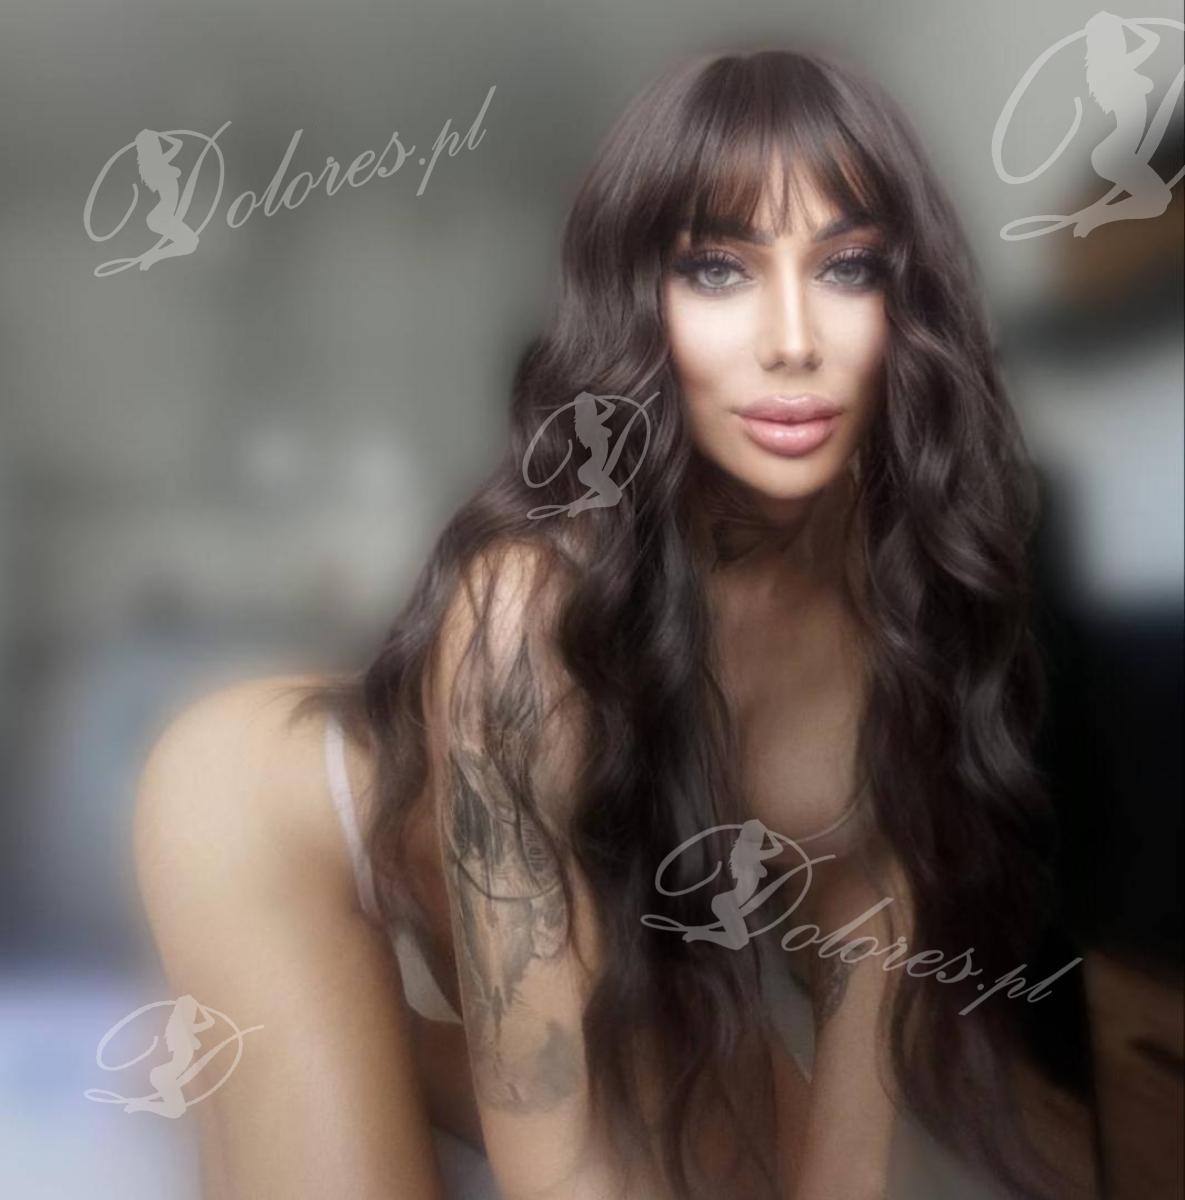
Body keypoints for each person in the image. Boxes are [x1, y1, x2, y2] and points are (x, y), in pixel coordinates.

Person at [133, 47, 1086, 1199]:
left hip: (599, 936)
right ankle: (322, 1021)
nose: (792, 338)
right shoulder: (526, 615)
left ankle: (379, 1042)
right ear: (640, 300)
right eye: (718, 270)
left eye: (847, 267)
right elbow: (556, 1166)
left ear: (908, 299)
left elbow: (856, 1086)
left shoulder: (912, 627)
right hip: (283, 822)